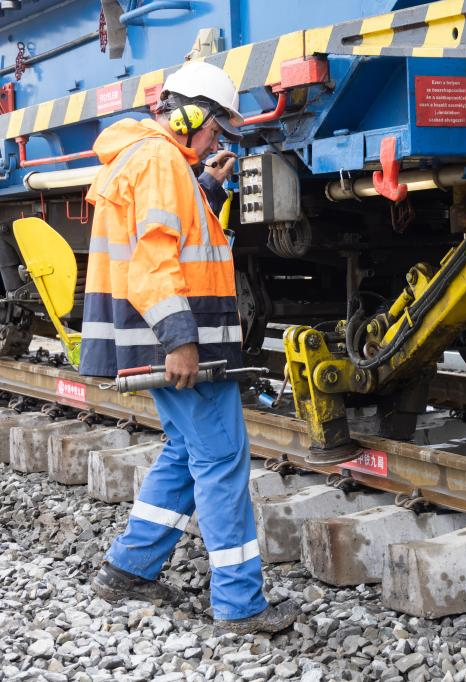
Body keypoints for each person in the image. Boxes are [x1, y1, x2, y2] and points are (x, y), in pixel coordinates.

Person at [80, 60, 297, 634]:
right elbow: (153, 262)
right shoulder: (157, 160)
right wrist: (181, 342)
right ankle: (239, 604)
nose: (215, 140)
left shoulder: (157, 161)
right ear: (188, 113)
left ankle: (129, 568)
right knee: (222, 457)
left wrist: (207, 186)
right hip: (178, 339)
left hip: (164, 337)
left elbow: (170, 235)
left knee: (185, 450)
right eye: (214, 130)